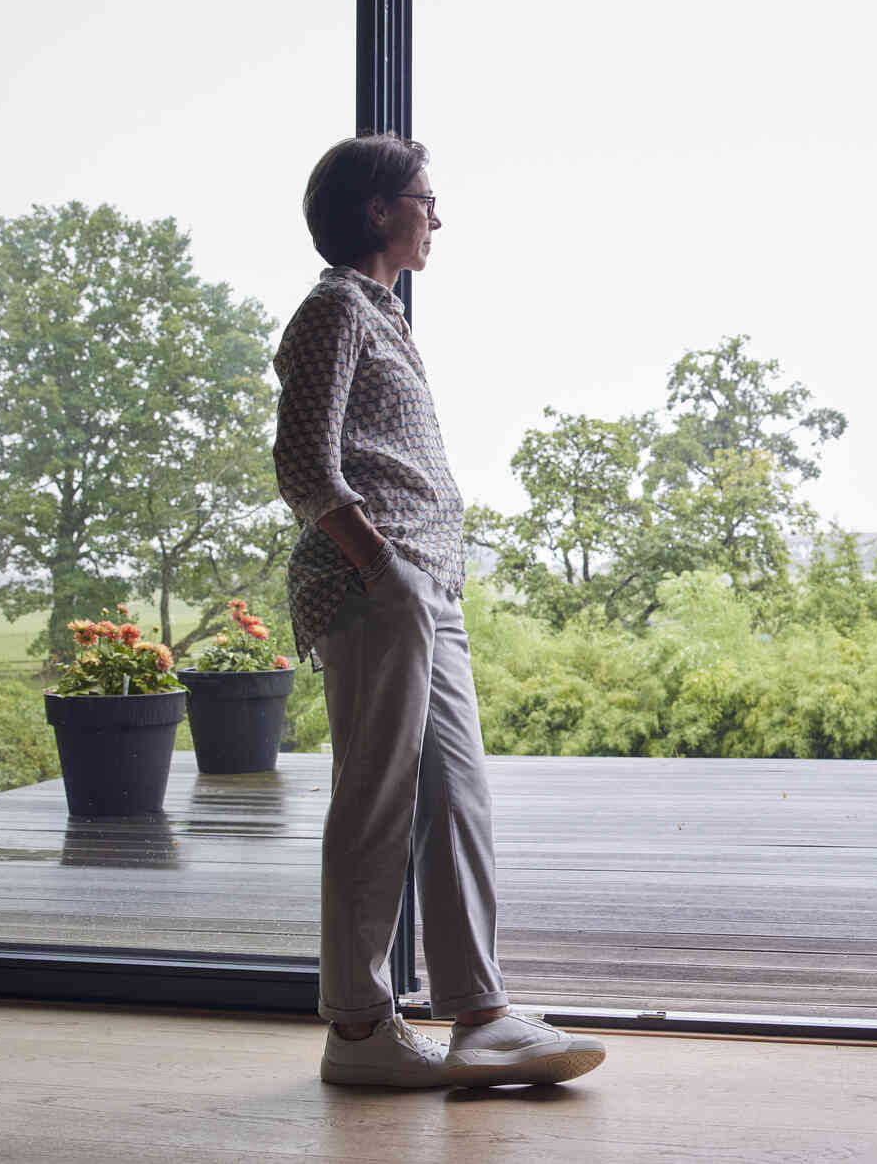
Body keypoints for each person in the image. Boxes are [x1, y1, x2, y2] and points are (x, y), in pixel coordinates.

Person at [273, 133, 606, 1088]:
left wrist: (422, 581)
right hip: (375, 588)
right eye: (425, 197)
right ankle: (359, 1030)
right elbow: (304, 468)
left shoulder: (382, 314)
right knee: (376, 805)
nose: (438, 215)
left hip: (422, 592)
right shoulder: (334, 308)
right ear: (378, 212)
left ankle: (482, 1016)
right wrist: (385, 567)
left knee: (458, 801)